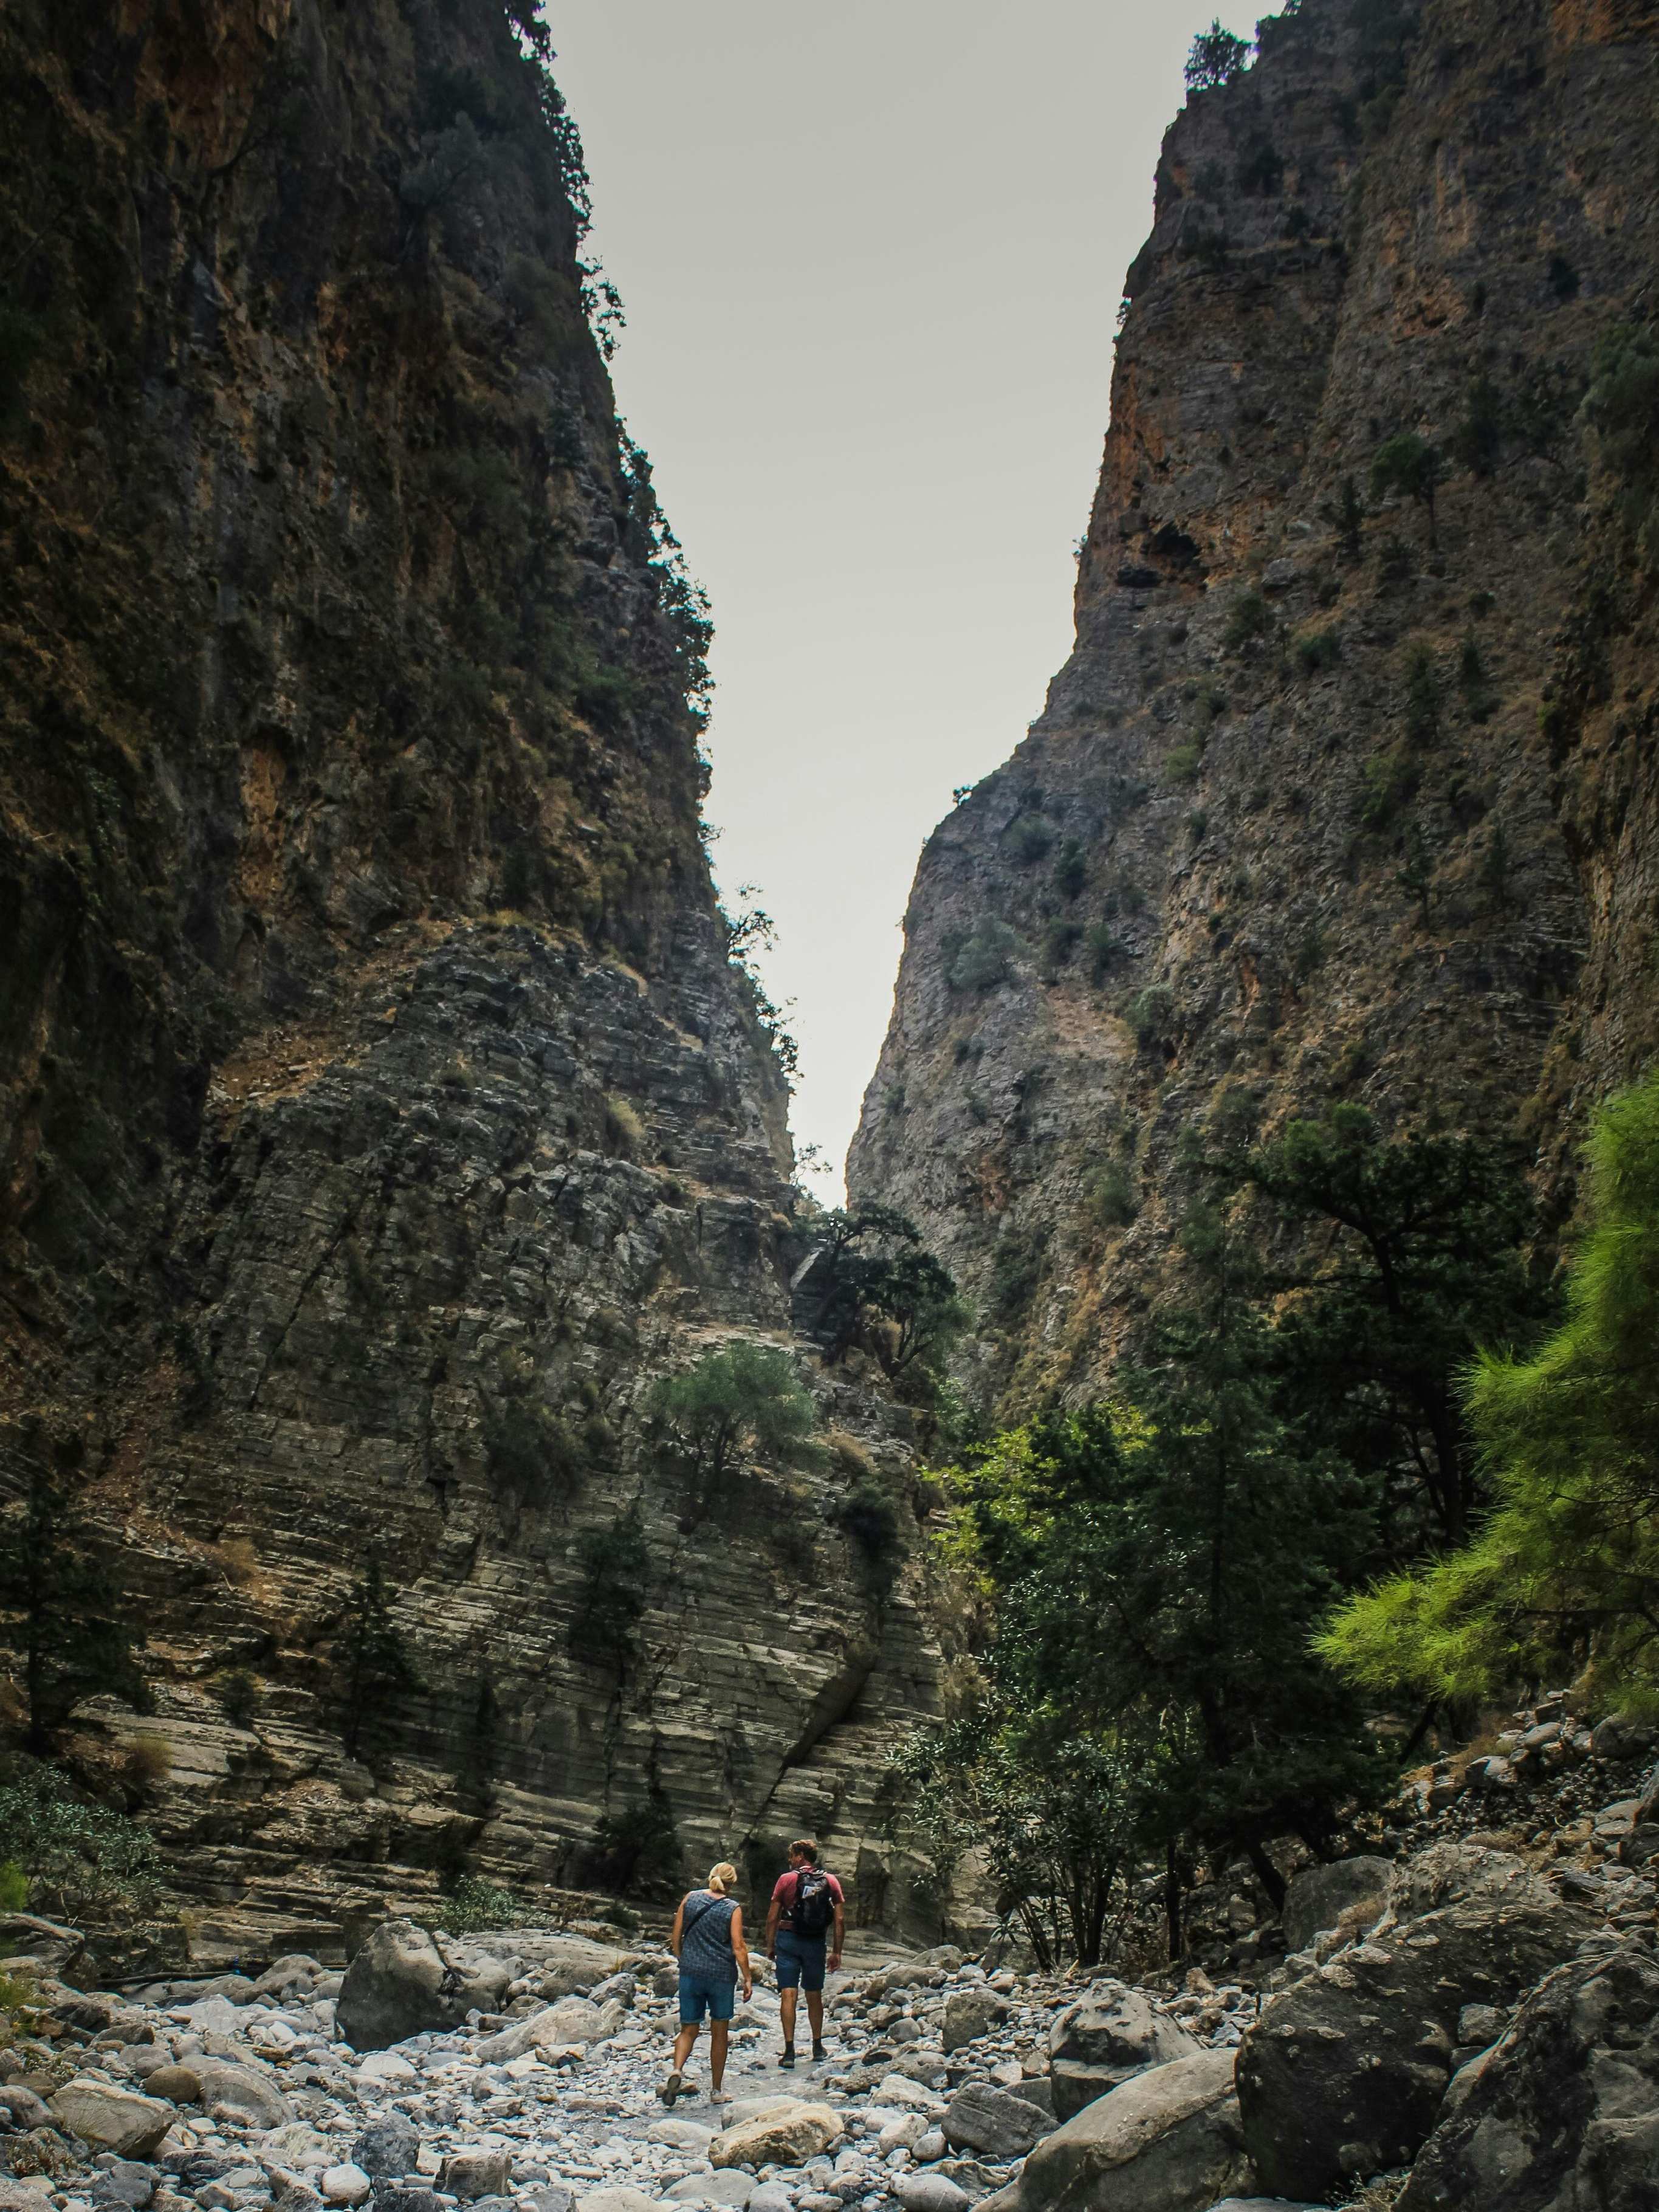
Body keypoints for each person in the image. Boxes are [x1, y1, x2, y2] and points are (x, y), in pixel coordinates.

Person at [661, 1860, 752, 2105]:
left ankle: (677, 2069)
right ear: (732, 1884)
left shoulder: (690, 1898)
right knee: (719, 2033)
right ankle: (716, 2090)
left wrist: (684, 1959)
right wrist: (748, 1977)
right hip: (721, 1976)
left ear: (710, 1876)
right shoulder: (732, 1908)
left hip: (691, 1972)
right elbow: (738, 1947)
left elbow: (676, 1935)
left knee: (688, 2029)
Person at [764, 1838, 845, 2067]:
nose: (790, 1860)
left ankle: (789, 2052)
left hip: (788, 1940)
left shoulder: (786, 1879)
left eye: (792, 1856)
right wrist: (837, 1952)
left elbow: (772, 1917)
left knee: (788, 1994)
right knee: (814, 1994)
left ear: (800, 1855)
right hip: (815, 1942)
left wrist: (770, 1945)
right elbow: (839, 1919)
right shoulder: (830, 1880)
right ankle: (817, 2047)